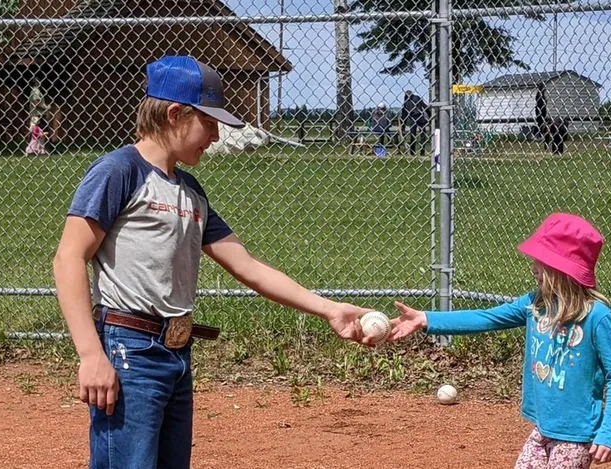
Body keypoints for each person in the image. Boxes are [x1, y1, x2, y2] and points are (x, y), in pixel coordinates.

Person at [52, 55, 377, 469]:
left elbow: (248, 267)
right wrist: (90, 354)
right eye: (208, 122)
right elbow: (68, 257)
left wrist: (329, 309)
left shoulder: (190, 190)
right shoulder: (119, 172)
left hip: (176, 353)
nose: (216, 135)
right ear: (174, 114)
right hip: (129, 351)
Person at [387, 212, 611, 468]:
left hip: (576, 436)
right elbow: (486, 318)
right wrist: (426, 319)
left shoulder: (596, 316)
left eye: (541, 260)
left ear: (561, 268)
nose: (534, 267)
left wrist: (609, 432)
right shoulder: (536, 304)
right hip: (543, 428)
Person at [401, 90, 430, 155]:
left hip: (413, 118)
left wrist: (403, 126)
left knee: (413, 135)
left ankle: (413, 152)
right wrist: (430, 115)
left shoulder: (406, 102)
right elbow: (425, 107)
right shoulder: (416, 98)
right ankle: (422, 152)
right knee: (422, 135)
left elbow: (404, 116)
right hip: (420, 117)